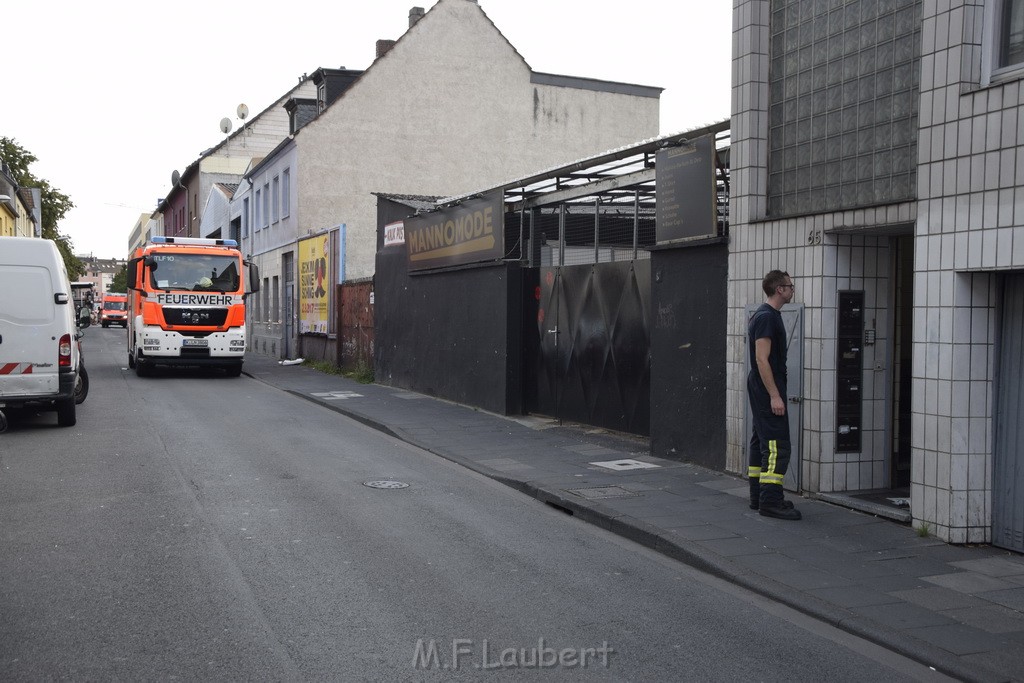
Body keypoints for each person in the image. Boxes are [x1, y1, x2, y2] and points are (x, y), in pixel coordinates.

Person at [747, 270, 801, 520]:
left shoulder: (765, 315)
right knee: (777, 446)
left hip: (760, 389)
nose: (792, 289)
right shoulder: (767, 317)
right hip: (766, 391)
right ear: (780, 289)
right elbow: (761, 359)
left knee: (761, 440)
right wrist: (775, 396)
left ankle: (759, 497)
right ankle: (770, 501)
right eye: (790, 285)